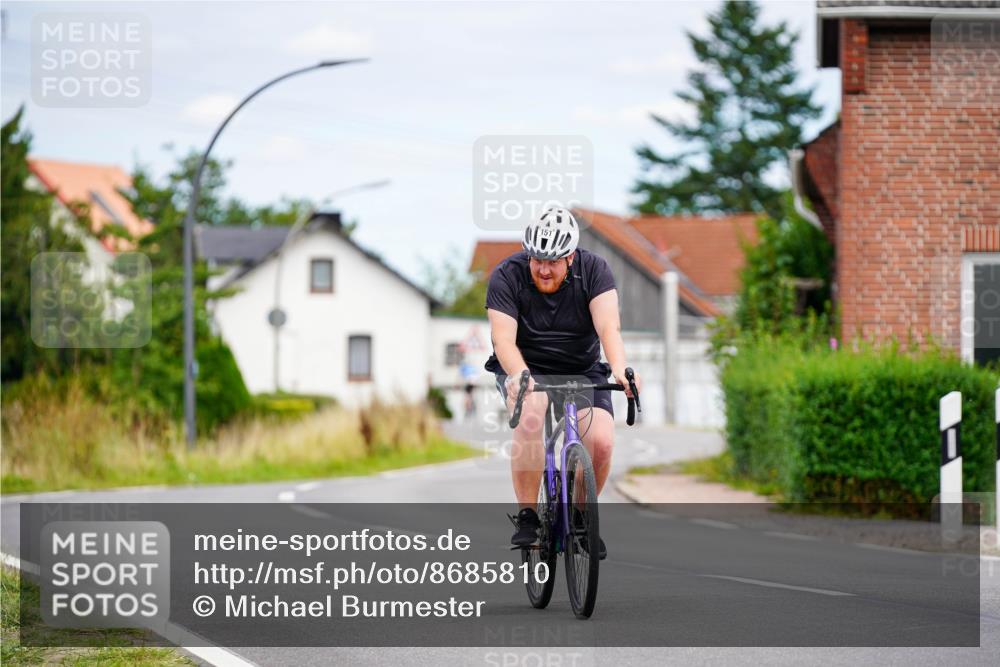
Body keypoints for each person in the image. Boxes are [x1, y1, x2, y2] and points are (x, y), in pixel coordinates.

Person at [484, 206, 641, 560]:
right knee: (532, 413)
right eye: (536, 259)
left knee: (600, 441)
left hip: (582, 370)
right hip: (526, 369)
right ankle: (528, 516)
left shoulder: (595, 270)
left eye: (553, 261)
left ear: (570, 256)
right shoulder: (506, 276)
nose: (542, 269)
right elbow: (503, 341)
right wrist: (520, 377)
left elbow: (608, 328)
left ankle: (583, 517)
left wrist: (619, 369)